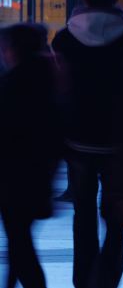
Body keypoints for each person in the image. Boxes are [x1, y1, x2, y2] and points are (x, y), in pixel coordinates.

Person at [51, 0, 123, 288]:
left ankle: (83, 280)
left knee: (83, 214)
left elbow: (62, 89)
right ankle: (106, 279)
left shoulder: (64, 39)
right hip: (120, 143)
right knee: (117, 218)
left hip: (78, 140)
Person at [0, 24, 63, 288]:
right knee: (20, 240)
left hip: (14, 176)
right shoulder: (48, 80)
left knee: (20, 243)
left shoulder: (13, 85)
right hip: (37, 175)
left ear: (14, 50)